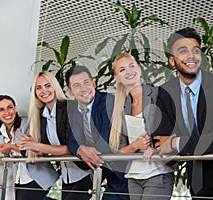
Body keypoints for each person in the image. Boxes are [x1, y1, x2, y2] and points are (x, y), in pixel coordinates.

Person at [152, 27, 213, 198]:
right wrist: (172, 144)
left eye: (196, 50)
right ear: (172, 60)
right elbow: (160, 142)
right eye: (183, 51)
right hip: (197, 179)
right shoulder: (165, 93)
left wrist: (177, 143)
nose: (191, 56)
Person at [109, 52, 174, 200]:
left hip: (158, 173)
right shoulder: (121, 107)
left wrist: (155, 147)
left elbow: (173, 130)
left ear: (139, 68)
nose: (129, 71)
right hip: (133, 176)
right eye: (122, 69)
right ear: (117, 78)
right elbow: (118, 152)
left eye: (132, 66)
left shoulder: (159, 94)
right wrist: (135, 146)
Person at [18, 71, 91, 199]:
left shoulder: (71, 108)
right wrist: (28, 145)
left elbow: (71, 148)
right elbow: (44, 151)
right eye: (38, 88)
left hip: (84, 172)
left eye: (48, 85)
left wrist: (36, 145)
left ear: (55, 87)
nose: (44, 91)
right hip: (67, 176)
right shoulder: (42, 116)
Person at [65, 65, 129, 200]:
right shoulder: (75, 110)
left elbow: (106, 139)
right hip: (99, 167)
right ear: (70, 91)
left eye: (86, 82)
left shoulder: (107, 101)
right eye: (77, 85)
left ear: (94, 83)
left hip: (121, 170)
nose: (83, 89)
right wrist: (80, 149)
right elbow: (72, 140)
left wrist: (87, 153)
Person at [0, 95, 47, 200]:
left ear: (15, 108)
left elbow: (33, 151)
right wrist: (6, 152)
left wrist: (10, 146)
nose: (7, 112)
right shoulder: (0, 131)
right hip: (18, 179)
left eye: (9, 107)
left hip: (36, 177)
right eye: (1, 110)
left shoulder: (26, 123)